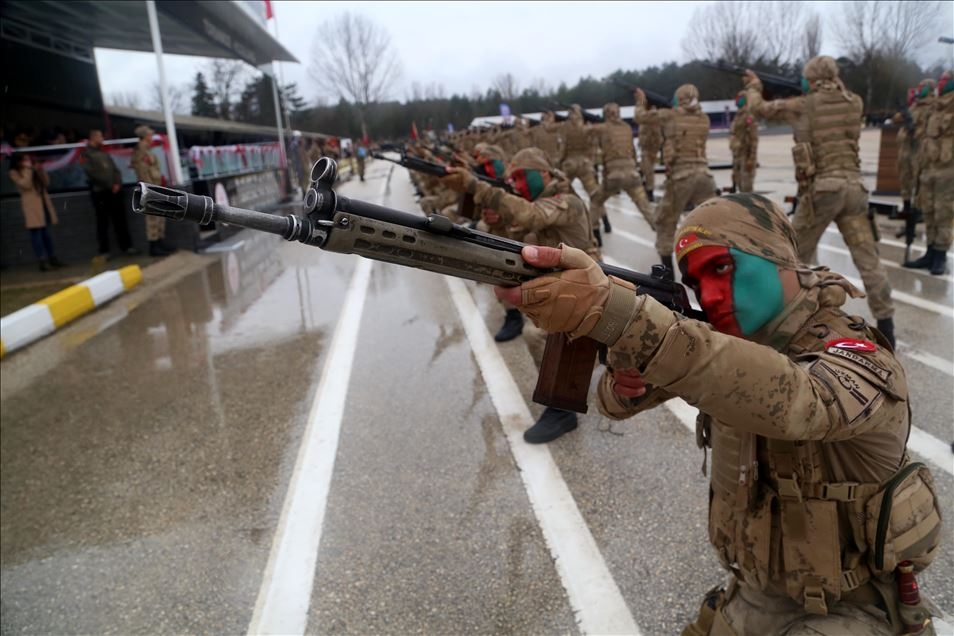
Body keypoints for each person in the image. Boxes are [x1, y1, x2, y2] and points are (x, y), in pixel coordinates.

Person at [495, 193, 941, 636]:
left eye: (722, 269)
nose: (709, 295)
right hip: (751, 594)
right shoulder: (724, 342)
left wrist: (625, 317)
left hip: (850, 610)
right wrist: (625, 373)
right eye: (695, 281)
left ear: (778, 258)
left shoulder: (855, 354)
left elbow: (798, 401)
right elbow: (613, 403)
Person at [442, 147, 599, 444]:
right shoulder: (538, 202)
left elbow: (530, 217)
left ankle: (563, 409)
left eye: (521, 178)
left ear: (543, 174)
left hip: (589, 287)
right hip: (564, 286)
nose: (517, 185)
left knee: (537, 334)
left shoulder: (567, 201)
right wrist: (497, 220)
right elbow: (520, 243)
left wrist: (476, 186)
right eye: (512, 179)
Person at [743, 56, 896, 347]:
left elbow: (759, 109)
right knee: (869, 260)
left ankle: (792, 325)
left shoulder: (804, 105)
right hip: (855, 189)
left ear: (811, 79)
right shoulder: (854, 102)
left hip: (823, 191)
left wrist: (754, 86)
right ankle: (887, 325)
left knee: (793, 257)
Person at [634, 84, 718, 273]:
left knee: (666, 220)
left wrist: (640, 100)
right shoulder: (703, 118)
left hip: (682, 177)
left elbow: (640, 117)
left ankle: (667, 270)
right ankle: (715, 262)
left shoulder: (671, 115)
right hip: (705, 175)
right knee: (709, 221)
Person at [904, 73, 952, 276]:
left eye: (945, 80)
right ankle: (930, 252)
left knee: (944, 213)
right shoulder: (934, 107)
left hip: (948, 169)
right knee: (929, 212)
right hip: (928, 167)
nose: (940, 83)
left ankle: (940, 256)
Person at [589, 102, 655, 237]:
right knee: (645, 207)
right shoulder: (627, 127)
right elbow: (632, 151)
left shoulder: (601, 128)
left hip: (614, 176)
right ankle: (661, 231)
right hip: (632, 174)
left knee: (596, 201)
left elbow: (593, 150)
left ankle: (594, 233)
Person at [81, 129, 138, 258]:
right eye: (100, 136)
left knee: (120, 220)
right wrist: (109, 185)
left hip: (114, 192)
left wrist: (117, 183)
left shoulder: (104, 153)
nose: (102, 138)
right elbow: (91, 173)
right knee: (102, 222)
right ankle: (104, 250)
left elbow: (115, 170)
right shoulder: (86, 154)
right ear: (93, 138)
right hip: (100, 193)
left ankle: (127, 246)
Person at [8, 153, 65, 272]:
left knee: (46, 234)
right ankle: (42, 261)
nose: (28, 161)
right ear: (19, 162)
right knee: (37, 234)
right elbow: (26, 184)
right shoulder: (14, 172)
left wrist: (41, 170)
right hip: (31, 206)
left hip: (43, 203)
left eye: (28, 159)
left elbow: (46, 183)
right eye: (25, 160)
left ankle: (52, 258)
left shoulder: (32, 169)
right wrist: (28, 169)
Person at [131, 125, 177, 257]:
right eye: (150, 135)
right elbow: (142, 172)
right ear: (144, 136)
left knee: (160, 216)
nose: (152, 137)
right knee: (152, 217)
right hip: (149, 188)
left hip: (156, 186)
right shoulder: (140, 151)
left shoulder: (147, 150)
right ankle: (154, 245)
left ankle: (160, 241)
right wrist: (149, 189)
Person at [558, 104, 601, 214]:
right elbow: (593, 145)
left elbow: (562, 148)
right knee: (594, 193)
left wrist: (558, 163)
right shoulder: (587, 126)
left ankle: (563, 217)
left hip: (569, 164)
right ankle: (603, 221)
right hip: (584, 163)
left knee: (561, 191)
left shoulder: (565, 127)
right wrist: (591, 161)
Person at [729, 91, 759, 193]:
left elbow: (753, 138)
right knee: (738, 183)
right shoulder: (737, 116)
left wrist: (751, 157)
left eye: (740, 98)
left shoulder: (748, 116)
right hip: (737, 155)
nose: (737, 100)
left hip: (746, 155)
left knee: (746, 187)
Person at [637, 111, 663, 202]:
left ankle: (649, 192)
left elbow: (657, 137)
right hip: (644, 149)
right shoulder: (644, 122)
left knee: (648, 171)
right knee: (644, 169)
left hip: (650, 149)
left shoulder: (652, 121)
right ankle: (646, 190)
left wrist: (655, 149)